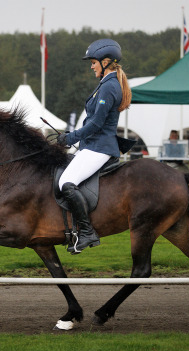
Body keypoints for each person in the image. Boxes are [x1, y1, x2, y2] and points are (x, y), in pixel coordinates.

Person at [55, 39, 133, 255]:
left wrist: (71, 138)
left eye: (93, 62)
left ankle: (87, 232)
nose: (91, 66)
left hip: (99, 147)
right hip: (92, 145)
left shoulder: (109, 87)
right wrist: (71, 137)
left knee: (66, 183)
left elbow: (97, 124)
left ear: (106, 62)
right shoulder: (106, 84)